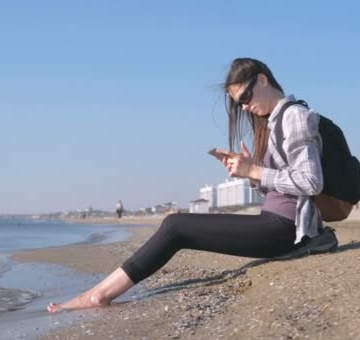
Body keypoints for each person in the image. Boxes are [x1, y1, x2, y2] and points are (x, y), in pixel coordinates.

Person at [47, 57, 338, 313]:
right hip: (274, 223)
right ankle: (100, 293)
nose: (246, 106)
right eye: (239, 103)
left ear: (263, 79)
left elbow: (312, 181)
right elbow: (282, 187)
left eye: (247, 96)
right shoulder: (273, 122)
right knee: (176, 226)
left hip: (286, 230)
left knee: (176, 226)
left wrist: (257, 170)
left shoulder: (295, 117)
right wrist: (252, 176)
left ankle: (99, 295)